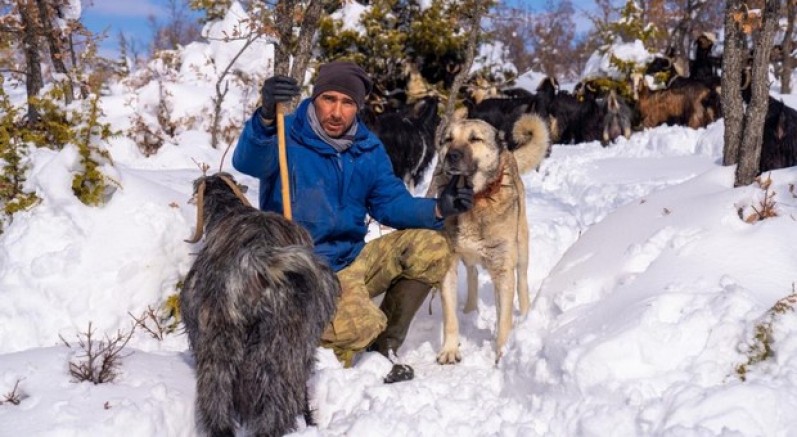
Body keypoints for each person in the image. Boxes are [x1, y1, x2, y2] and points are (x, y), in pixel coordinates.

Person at [232, 61, 473, 383]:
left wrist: (439, 209)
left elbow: (391, 203)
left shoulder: (367, 149)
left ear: (358, 107)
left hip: (351, 260)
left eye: (347, 103)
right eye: (329, 99)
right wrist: (264, 118)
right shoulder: (285, 133)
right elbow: (248, 161)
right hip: (299, 270)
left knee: (432, 246)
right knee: (361, 324)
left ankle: (383, 349)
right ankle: (321, 357)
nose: (336, 112)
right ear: (315, 98)